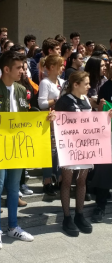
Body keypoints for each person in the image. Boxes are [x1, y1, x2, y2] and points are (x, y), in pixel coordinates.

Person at [0, 50, 34, 250]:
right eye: (19, 67)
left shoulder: (21, 89)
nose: (23, 71)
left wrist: (45, 120)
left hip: (16, 146)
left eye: (23, 67)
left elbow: (26, 116)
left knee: (13, 188)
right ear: (6, 69)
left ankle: (13, 226)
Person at [55, 71, 96, 236]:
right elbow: (57, 123)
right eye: (86, 83)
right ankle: (67, 217)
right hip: (69, 146)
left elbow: (92, 121)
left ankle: (79, 214)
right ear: (76, 85)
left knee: (82, 180)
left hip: (85, 145)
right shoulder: (64, 101)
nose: (89, 86)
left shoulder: (86, 99)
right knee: (66, 181)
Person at [38, 54, 65, 196]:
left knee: (59, 152)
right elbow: (41, 103)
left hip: (61, 122)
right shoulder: (45, 83)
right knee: (49, 153)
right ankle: (47, 181)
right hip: (49, 122)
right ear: (52, 67)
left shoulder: (62, 81)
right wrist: (56, 100)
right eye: (60, 65)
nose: (62, 68)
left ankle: (59, 179)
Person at [91, 65, 112, 223]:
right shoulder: (106, 87)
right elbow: (101, 112)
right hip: (108, 135)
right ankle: (100, 205)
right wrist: (102, 110)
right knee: (104, 169)